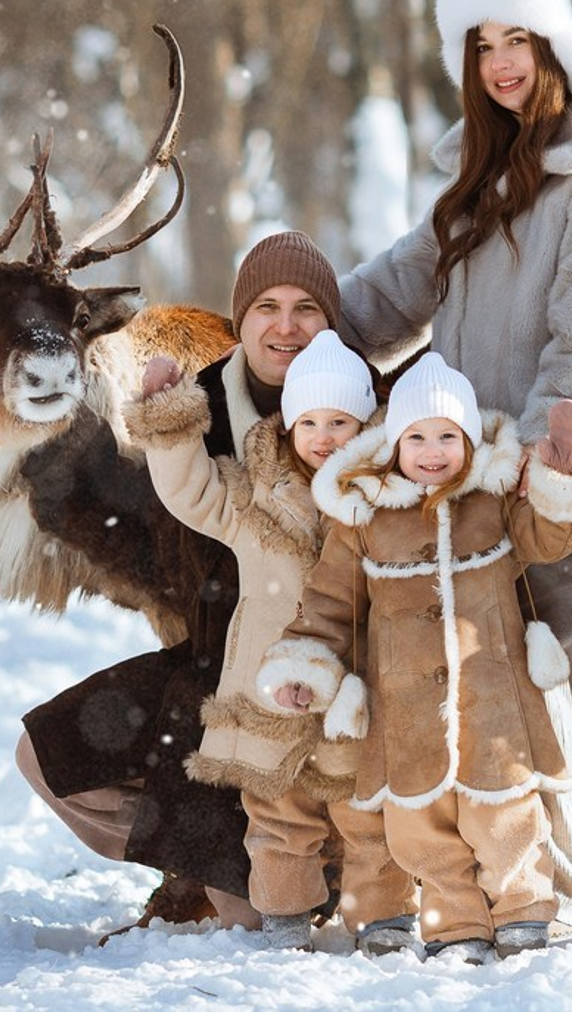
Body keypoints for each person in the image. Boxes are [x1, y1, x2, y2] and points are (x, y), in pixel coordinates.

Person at [335, 0, 572, 945]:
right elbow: (390, 290)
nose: (499, 62)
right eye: (481, 43)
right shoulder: (477, 182)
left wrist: (537, 460)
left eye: (517, 40)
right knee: (491, 681)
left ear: (554, 47)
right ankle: (531, 881)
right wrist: (291, 333)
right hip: (470, 488)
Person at [15, 230, 345, 930]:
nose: (285, 326)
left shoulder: (376, 418)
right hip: (216, 676)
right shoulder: (192, 410)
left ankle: (332, 865)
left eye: (306, 308)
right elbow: (160, 542)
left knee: (247, 922)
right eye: (266, 307)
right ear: (241, 319)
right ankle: (209, 858)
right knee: (44, 754)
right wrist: (77, 487)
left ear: (331, 322)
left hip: (344, 688)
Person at [259, 354, 572, 963]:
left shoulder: (494, 506)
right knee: (419, 830)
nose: (433, 450)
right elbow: (326, 601)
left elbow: (551, 538)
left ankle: (524, 910)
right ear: (394, 444)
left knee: (504, 818)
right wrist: (306, 665)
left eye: (448, 436)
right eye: (417, 437)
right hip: (405, 713)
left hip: (494, 707)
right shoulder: (366, 519)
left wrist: (565, 475)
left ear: (470, 440)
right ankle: (454, 923)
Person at [125, 331, 418, 954]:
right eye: (309, 421)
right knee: (277, 816)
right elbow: (189, 490)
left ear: (367, 424)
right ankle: (285, 913)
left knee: (369, 816)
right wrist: (171, 423)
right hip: (271, 693)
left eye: (340, 420)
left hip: (357, 695)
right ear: (286, 427)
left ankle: (383, 916)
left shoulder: (389, 501)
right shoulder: (257, 497)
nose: (324, 436)